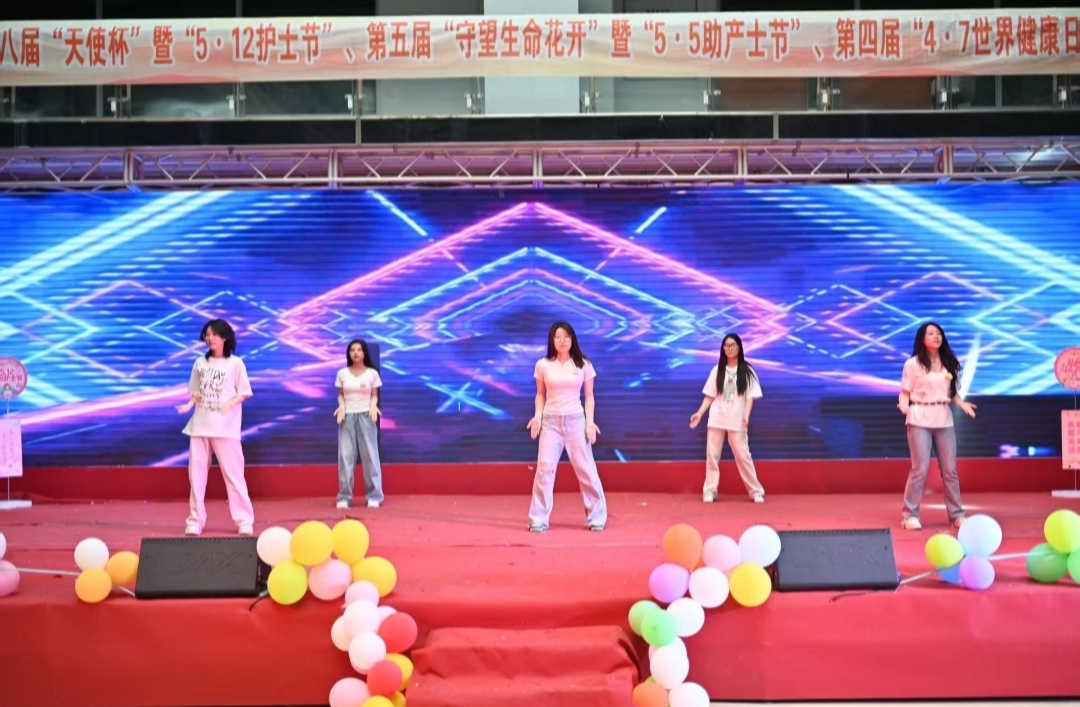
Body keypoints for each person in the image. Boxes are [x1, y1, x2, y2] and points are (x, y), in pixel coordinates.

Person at [176, 319, 255, 536]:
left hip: (225, 428)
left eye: (214, 334)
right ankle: (195, 520)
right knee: (196, 476)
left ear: (224, 337)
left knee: (234, 475)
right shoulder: (200, 363)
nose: (210, 338)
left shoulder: (235, 363)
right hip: (199, 426)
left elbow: (245, 392)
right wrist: (188, 405)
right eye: (207, 335)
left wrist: (230, 403)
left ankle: (244, 520)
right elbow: (196, 392)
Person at [526, 321, 608, 532]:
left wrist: (590, 423)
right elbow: (540, 394)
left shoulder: (583, 364)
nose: (562, 340)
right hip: (551, 423)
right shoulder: (543, 365)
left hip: (575, 422)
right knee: (544, 469)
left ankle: (596, 517)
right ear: (552, 340)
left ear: (572, 339)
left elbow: (589, 397)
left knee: (586, 470)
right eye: (558, 337)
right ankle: (538, 518)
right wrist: (537, 417)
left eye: (566, 336)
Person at [897, 321, 976, 530]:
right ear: (922, 338)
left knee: (950, 470)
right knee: (919, 469)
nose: (936, 336)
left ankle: (956, 515)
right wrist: (904, 407)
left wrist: (962, 404)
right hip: (919, 417)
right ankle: (909, 515)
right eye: (931, 333)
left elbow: (951, 393)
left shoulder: (948, 362)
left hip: (944, 418)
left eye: (938, 333)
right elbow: (905, 392)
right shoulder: (912, 364)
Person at [689, 333, 766, 504]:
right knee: (712, 456)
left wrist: (746, 416)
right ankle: (710, 491)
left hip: (737, 419)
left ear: (739, 348)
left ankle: (756, 491)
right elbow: (710, 395)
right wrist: (700, 413)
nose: (729, 349)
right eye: (726, 345)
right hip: (717, 418)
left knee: (743, 456)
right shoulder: (717, 370)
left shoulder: (747, 371)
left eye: (733, 345)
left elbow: (750, 397)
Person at [334, 338, 384, 510]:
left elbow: (374, 395)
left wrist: (373, 406)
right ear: (348, 353)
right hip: (347, 417)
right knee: (345, 457)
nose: (355, 353)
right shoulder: (342, 373)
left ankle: (374, 496)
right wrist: (342, 406)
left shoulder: (372, 373)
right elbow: (340, 394)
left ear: (364, 353)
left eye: (359, 350)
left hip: (366, 416)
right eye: (352, 350)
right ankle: (344, 497)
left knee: (370, 456)